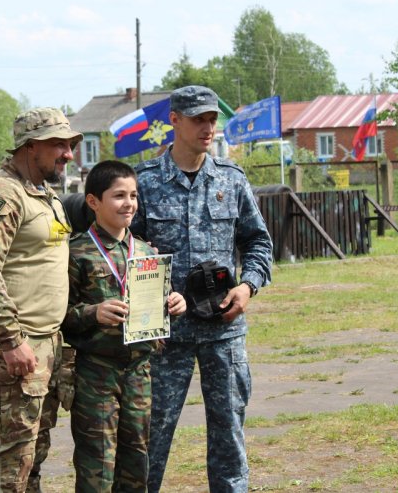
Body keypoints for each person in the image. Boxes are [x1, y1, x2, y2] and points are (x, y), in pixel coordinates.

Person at [131, 85, 274, 492]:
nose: (207, 127)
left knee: (229, 435)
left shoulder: (230, 179)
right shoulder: (144, 182)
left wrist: (248, 286)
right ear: (174, 120)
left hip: (223, 332)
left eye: (212, 119)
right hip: (164, 336)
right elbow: (126, 253)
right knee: (150, 436)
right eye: (198, 119)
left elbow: (258, 241)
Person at [0, 107, 83, 492]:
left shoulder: (44, 193)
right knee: (10, 467)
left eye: (70, 144)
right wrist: (11, 340)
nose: (68, 153)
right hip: (9, 351)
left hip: (44, 347)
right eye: (58, 145)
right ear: (30, 147)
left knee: (31, 460)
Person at [63, 160, 186, 491]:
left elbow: (157, 300)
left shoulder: (146, 252)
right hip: (96, 375)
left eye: (133, 195)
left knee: (136, 460)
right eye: (118, 195)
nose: (129, 203)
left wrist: (174, 302)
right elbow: (59, 316)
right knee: (96, 463)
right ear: (93, 202)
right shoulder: (77, 253)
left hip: (139, 372)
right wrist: (93, 313)